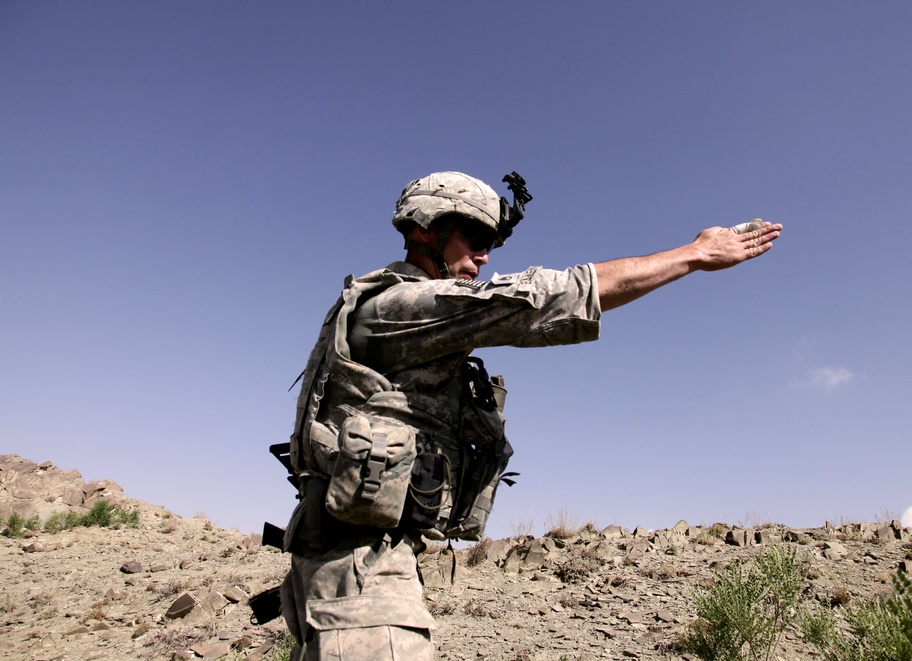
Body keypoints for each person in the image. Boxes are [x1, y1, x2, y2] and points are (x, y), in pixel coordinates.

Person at [278, 171, 782, 660]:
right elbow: (542, 298)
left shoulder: (395, 306)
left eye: (490, 241)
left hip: (356, 566)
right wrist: (693, 254)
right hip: (361, 573)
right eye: (473, 235)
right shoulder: (404, 304)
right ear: (423, 229)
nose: (484, 255)